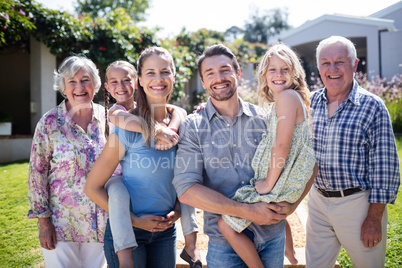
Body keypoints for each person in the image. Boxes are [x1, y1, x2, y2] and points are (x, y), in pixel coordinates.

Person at [173, 44, 316, 267]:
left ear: (238, 73)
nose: (219, 78)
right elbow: (186, 191)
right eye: (210, 73)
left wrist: (293, 205)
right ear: (203, 82)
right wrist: (248, 211)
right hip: (224, 246)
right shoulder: (193, 127)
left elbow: (305, 162)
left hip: (272, 237)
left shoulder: (266, 118)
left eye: (225, 70)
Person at [85, 46, 195, 268]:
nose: (159, 78)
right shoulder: (126, 127)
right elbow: (92, 188)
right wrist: (134, 220)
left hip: (166, 234)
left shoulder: (185, 126)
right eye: (151, 73)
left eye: (165, 71)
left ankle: (193, 250)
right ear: (141, 81)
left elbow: (186, 178)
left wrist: (179, 210)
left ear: (174, 76)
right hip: (129, 232)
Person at [217, 43, 316, 267]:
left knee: (225, 225)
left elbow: (281, 145)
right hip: (287, 180)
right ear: (264, 74)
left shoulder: (287, 98)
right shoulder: (285, 100)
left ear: (295, 74)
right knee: (275, 211)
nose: (278, 75)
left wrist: (267, 183)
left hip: (280, 180)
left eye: (285, 69)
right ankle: (291, 255)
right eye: (273, 69)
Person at [306, 36, 400, 268]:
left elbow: (385, 168)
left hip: (357, 205)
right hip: (317, 201)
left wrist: (374, 218)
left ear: (355, 65)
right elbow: (275, 120)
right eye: (325, 62)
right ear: (318, 67)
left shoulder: (373, 106)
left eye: (340, 61)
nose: (332, 69)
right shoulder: (309, 102)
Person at [27, 55, 107, 267]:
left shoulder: (108, 118)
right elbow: (37, 174)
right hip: (61, 225)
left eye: (85, 80)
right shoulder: (49, 123)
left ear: (95, 84)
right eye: (72, 81)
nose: (79, 86)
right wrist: (43, 223)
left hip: (101, 223)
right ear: (63, 88)